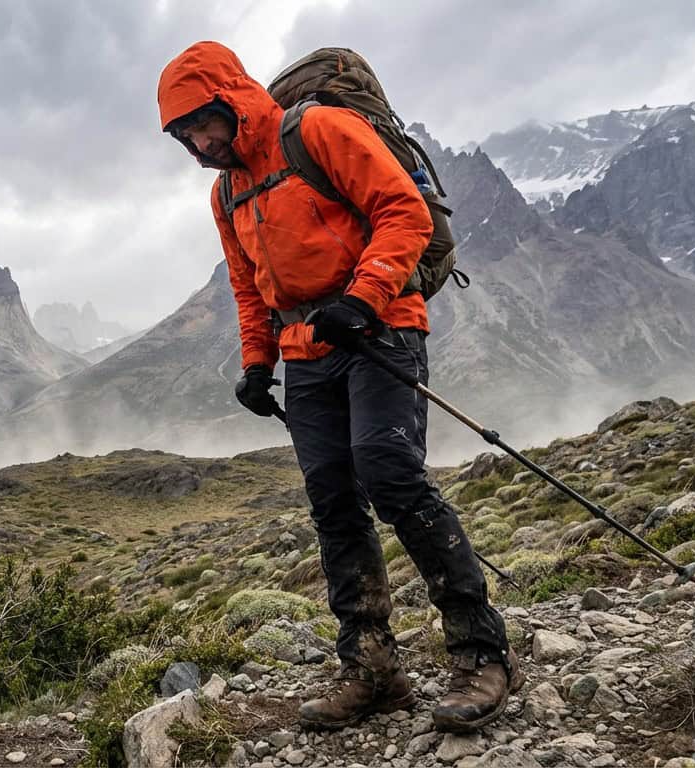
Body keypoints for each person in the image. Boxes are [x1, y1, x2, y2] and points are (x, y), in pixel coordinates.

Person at [157, 40, 523, 733]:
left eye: (202, 124)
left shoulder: (320, 130)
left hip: (381, 328)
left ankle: (483, 654)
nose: (198, 144)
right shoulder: (226, 188)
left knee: (391, 475)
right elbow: (248, 285)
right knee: (333, 501)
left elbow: (405, 214)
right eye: (184, 136)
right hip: (307, 353)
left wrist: (362, 298)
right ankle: (373, 669)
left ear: (231, 100)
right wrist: (259, 365)